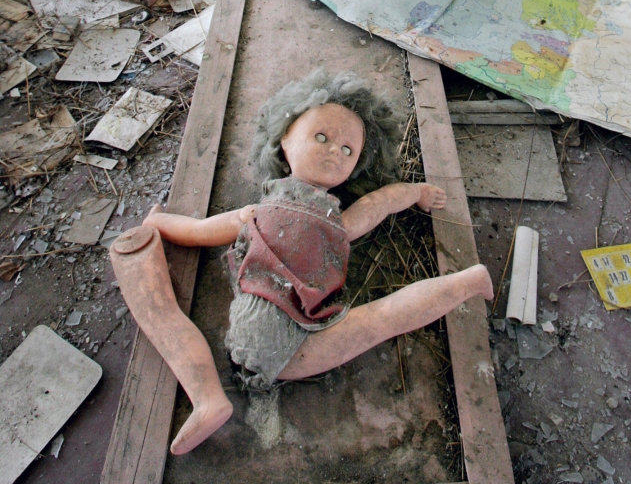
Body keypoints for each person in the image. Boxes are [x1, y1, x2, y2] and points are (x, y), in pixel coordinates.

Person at [110, 69, 493, 455]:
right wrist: (159, 222)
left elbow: (378, 203)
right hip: (274, 340)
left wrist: (417, 192)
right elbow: (199, 230)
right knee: (380, 320)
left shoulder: (329, 222)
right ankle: (207, 398)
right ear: (284, 138)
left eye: (348, 151)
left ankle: (208, 397)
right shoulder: (259, 213)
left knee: (381, 320)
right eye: (321, 137)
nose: (333, 150)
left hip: (283, 340)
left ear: (356, 166)